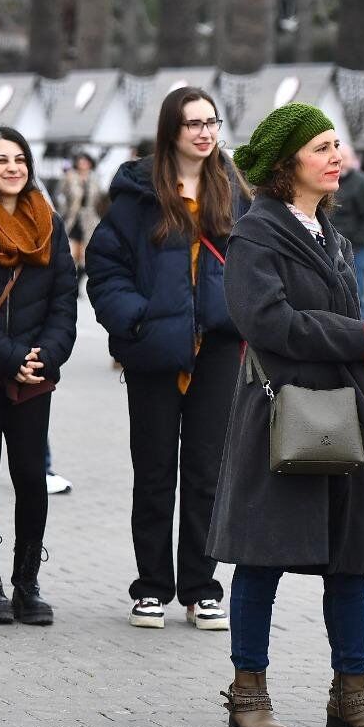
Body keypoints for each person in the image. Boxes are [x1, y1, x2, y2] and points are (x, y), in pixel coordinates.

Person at [209, 103, 364, 727]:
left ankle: (351, 693)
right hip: (282, 414)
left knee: (350, 561)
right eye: (322, 147)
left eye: (336, 146)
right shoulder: (256, 235)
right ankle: (249, 692)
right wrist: (358, 336)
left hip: (343, 415)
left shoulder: (332, 235)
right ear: (287, 162)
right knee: (261, 557)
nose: (336, 158)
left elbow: (327, 322)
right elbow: (267, 322)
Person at [87, 86, 246, 632]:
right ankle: (151, 586)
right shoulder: (137, 195)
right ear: (171, 132)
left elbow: (258, 265)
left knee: (207, 474)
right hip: (155, 351)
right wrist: (136, 320)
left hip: (218, 351)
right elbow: (105, 268)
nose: (205, 133)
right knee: (153, 471)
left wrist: (239, 314)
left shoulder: (234, 193)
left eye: (212, 122)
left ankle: (202, 588)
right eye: (192, 124)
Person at [0, 126, 78, 624]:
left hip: (34, 378)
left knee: (30, 475)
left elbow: (65, 296)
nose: (12, 167)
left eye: (20, 158)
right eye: (1, 159)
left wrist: (48, 356)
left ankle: (27, 583)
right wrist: (7, 356)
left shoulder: (49, 220)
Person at [331, 144, 364, 315]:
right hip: (329, 246)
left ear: (353, 161)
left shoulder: (362, 183)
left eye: (346, 159)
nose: (342, 163)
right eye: (339, 158)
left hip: (354, 249)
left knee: (356, 293)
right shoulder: (331, 181)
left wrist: (355, 242)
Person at [55, 151, 109, 271]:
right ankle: (71, 277)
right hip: (72, 217)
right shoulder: (69, 176)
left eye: (86, 161)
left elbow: (99, 199)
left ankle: (82, 280)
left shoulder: (95, 179)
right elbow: (59, 195)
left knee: (86, 253)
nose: (83, 164)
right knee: (71, 251)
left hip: (90, 219)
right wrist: (63, 210)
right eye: (81, 161)